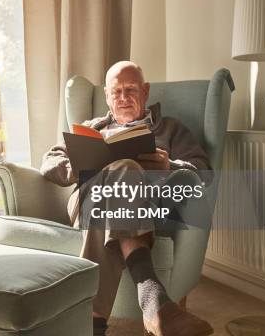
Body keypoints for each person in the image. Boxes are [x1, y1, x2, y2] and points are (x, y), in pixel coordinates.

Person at [40, 61, 214, 336]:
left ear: (145, 92)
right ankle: (152, 297)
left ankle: (93, 325)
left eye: (130, 89)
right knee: (122, 172)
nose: (123, 97)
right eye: (116, 91)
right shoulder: (90, 127)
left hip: (144, 207)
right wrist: (77, 165)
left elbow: (203, 172)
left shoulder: (170, 129)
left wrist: (171, 166)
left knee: (121, 177)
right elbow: (49, 161)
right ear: (107, 97)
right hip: (85, 200)